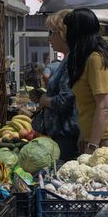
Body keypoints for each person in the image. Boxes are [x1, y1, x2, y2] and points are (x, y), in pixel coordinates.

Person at [65, 8, 108, 153]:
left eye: (68, 29)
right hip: (96, 135)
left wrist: (93, 145)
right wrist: (84, 134)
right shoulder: (87, 58)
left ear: (77, 32)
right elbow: (88, 105)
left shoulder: (96, 59)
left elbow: (104, 106)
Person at [31, 9, 79, 160]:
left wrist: (45, 100)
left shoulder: (71, 62)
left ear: (63, 33)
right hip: (59, 134)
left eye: (51, 33)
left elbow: (66, 99)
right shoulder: (67, 60)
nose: (49, 39)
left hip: (66, 135)